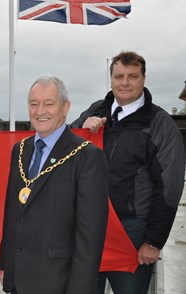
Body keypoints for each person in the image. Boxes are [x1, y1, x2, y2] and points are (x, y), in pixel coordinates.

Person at [71, 51, 186, 294]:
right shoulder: (96, 109)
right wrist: (81, 129)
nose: (125, 82)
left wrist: (154, 241)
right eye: (119, 76)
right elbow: (64, 149)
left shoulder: (159, 123)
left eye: (132, 76)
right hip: (89, 226)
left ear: (143, 79)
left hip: (130, 231)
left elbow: (169, 187)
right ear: (111, 79)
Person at [0, 76, 109, 294]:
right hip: (18, 279)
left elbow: (90, 236)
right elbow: (12, 212)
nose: (40, 111)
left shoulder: (87, 156)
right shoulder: (20, 150)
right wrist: (4, 264)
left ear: (65, 107)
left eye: (49, 103)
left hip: (58, 282)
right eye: (33, 103)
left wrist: (79, 289)